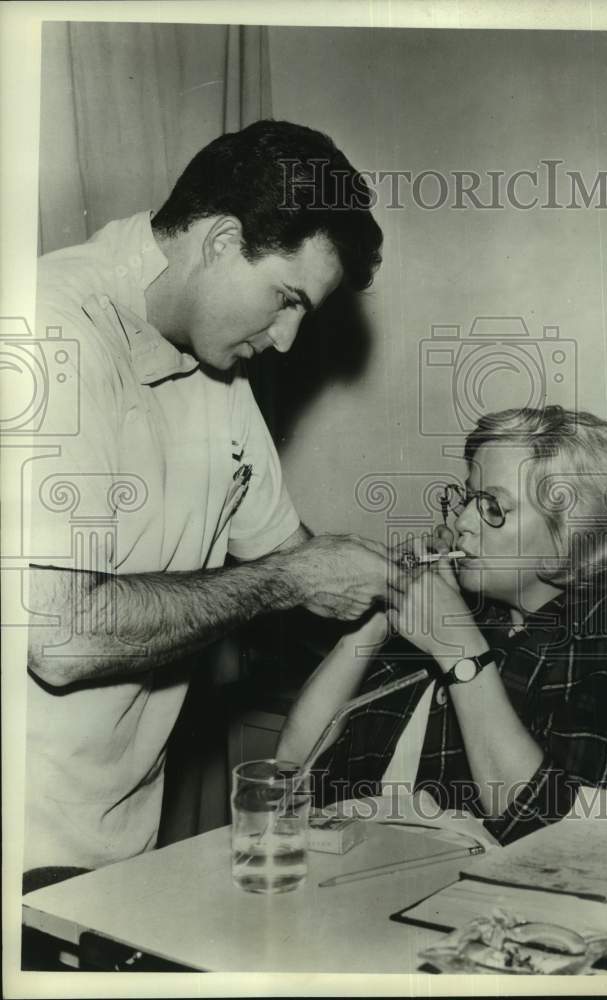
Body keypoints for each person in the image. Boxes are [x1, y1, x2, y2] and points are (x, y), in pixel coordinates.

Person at [24, 120, 402, 877]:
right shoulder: (43, 333)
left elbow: (289, 557)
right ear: (222, 240)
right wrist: (290, 580)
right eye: (286, 299)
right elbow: (59, 638)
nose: (289, 340)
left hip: (113, 845)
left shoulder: (215, 369)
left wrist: (397, 588)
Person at [278, 406, 607, 844]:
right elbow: (293, 768)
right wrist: (373, 622)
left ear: (572, 538)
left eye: (493, 507)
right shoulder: (466, 616)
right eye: (468, 499)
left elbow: (563, 838)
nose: (462, 522)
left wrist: (460, 653)